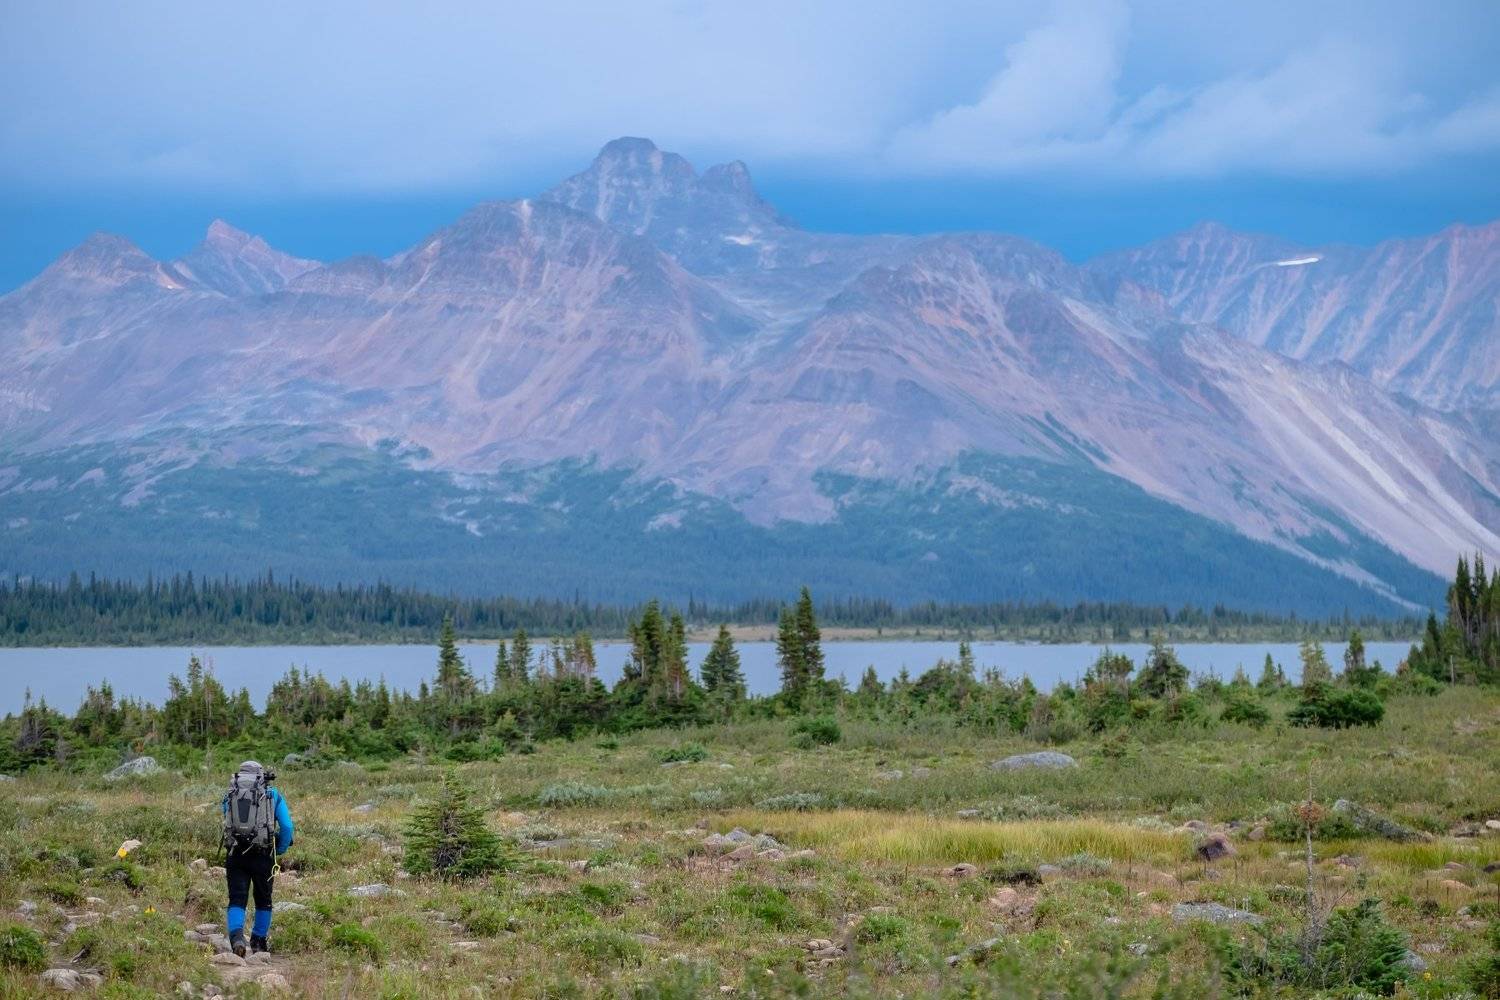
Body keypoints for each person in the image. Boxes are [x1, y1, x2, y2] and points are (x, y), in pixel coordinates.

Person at [220, 760, 294, 956]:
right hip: (264, 854)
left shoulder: (231, 793)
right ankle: (258, 942)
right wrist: (280, 848)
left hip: (235, 853)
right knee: (263, 900)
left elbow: (227, 820)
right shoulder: (273, 795)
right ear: (262, 777)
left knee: (237, 898)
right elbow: (286, 827)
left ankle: (236, 938)